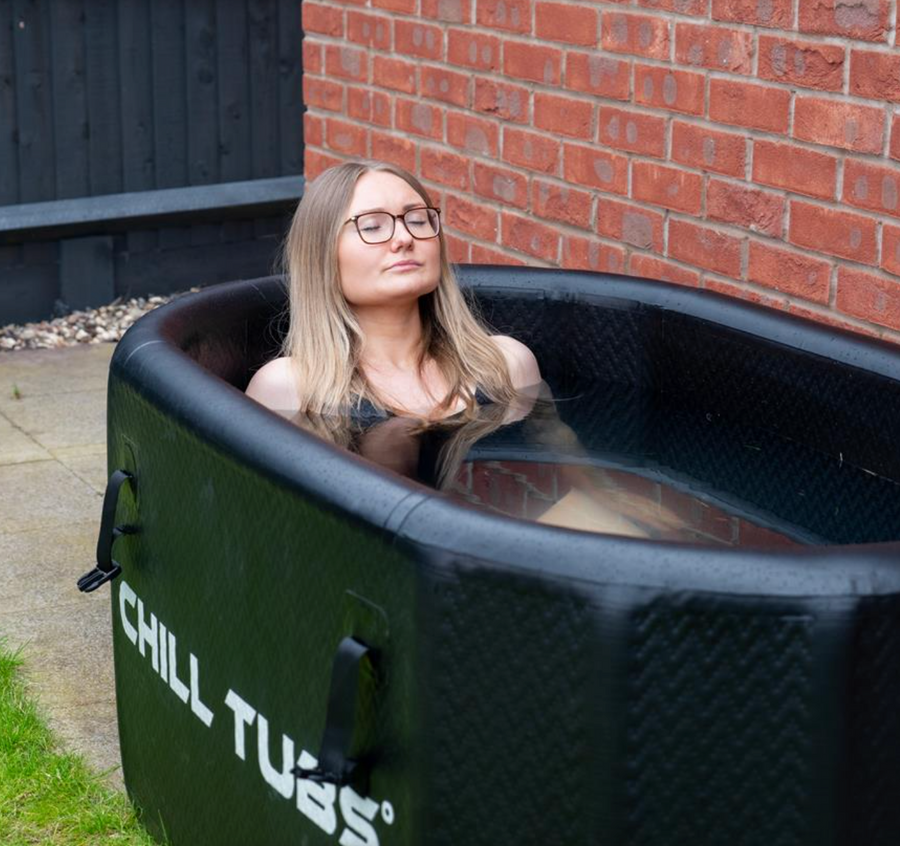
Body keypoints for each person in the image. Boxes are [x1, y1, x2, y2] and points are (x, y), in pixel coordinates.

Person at [246, 160, 541, 420]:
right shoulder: (287, 391)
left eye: (417, 220)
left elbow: (569, 481)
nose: (404, 237)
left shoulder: (508, 366)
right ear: (321, 256)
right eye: (372, 226)